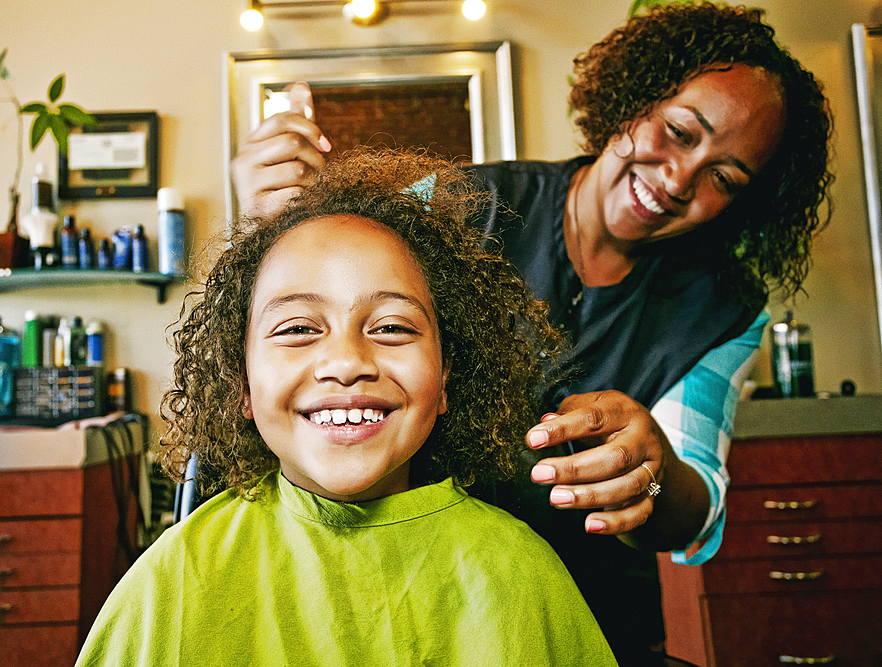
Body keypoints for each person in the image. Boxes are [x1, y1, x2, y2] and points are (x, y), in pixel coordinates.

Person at [229, 3, 834, 664]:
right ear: (634, 99)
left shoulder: (724, 309)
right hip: (414, 610)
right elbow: (324, 297)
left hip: (591, 625)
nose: (678, 179)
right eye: (680, 131)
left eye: (723, 178)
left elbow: (694, 513)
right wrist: (278, 220)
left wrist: (652, 471)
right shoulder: (462, 205)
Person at [76, 148, 618, 666]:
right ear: (240, 381)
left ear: (447, 375)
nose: (346, 361)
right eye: (298, 329)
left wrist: (658, 487)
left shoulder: (523, 573)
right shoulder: (172, 580)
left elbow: (678, 507)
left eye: (390, 327)